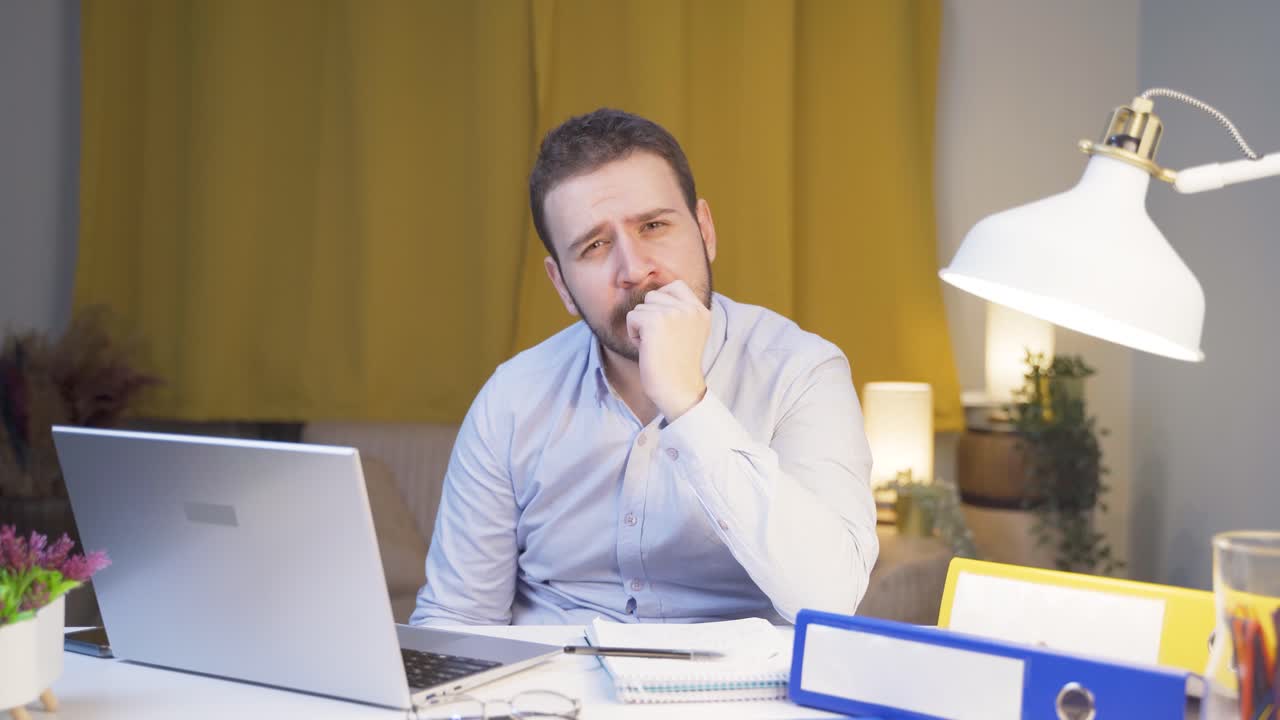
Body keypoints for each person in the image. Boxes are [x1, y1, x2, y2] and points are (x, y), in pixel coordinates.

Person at [410, 108, 877, 626]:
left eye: (654, 226)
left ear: (705, 230)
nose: (633, 270)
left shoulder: (802, 371)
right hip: (550, 696)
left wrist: (689, 405)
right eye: (594, 246)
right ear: (561, 284)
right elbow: (456, 618)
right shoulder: (512, 397)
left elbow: (832, 599)